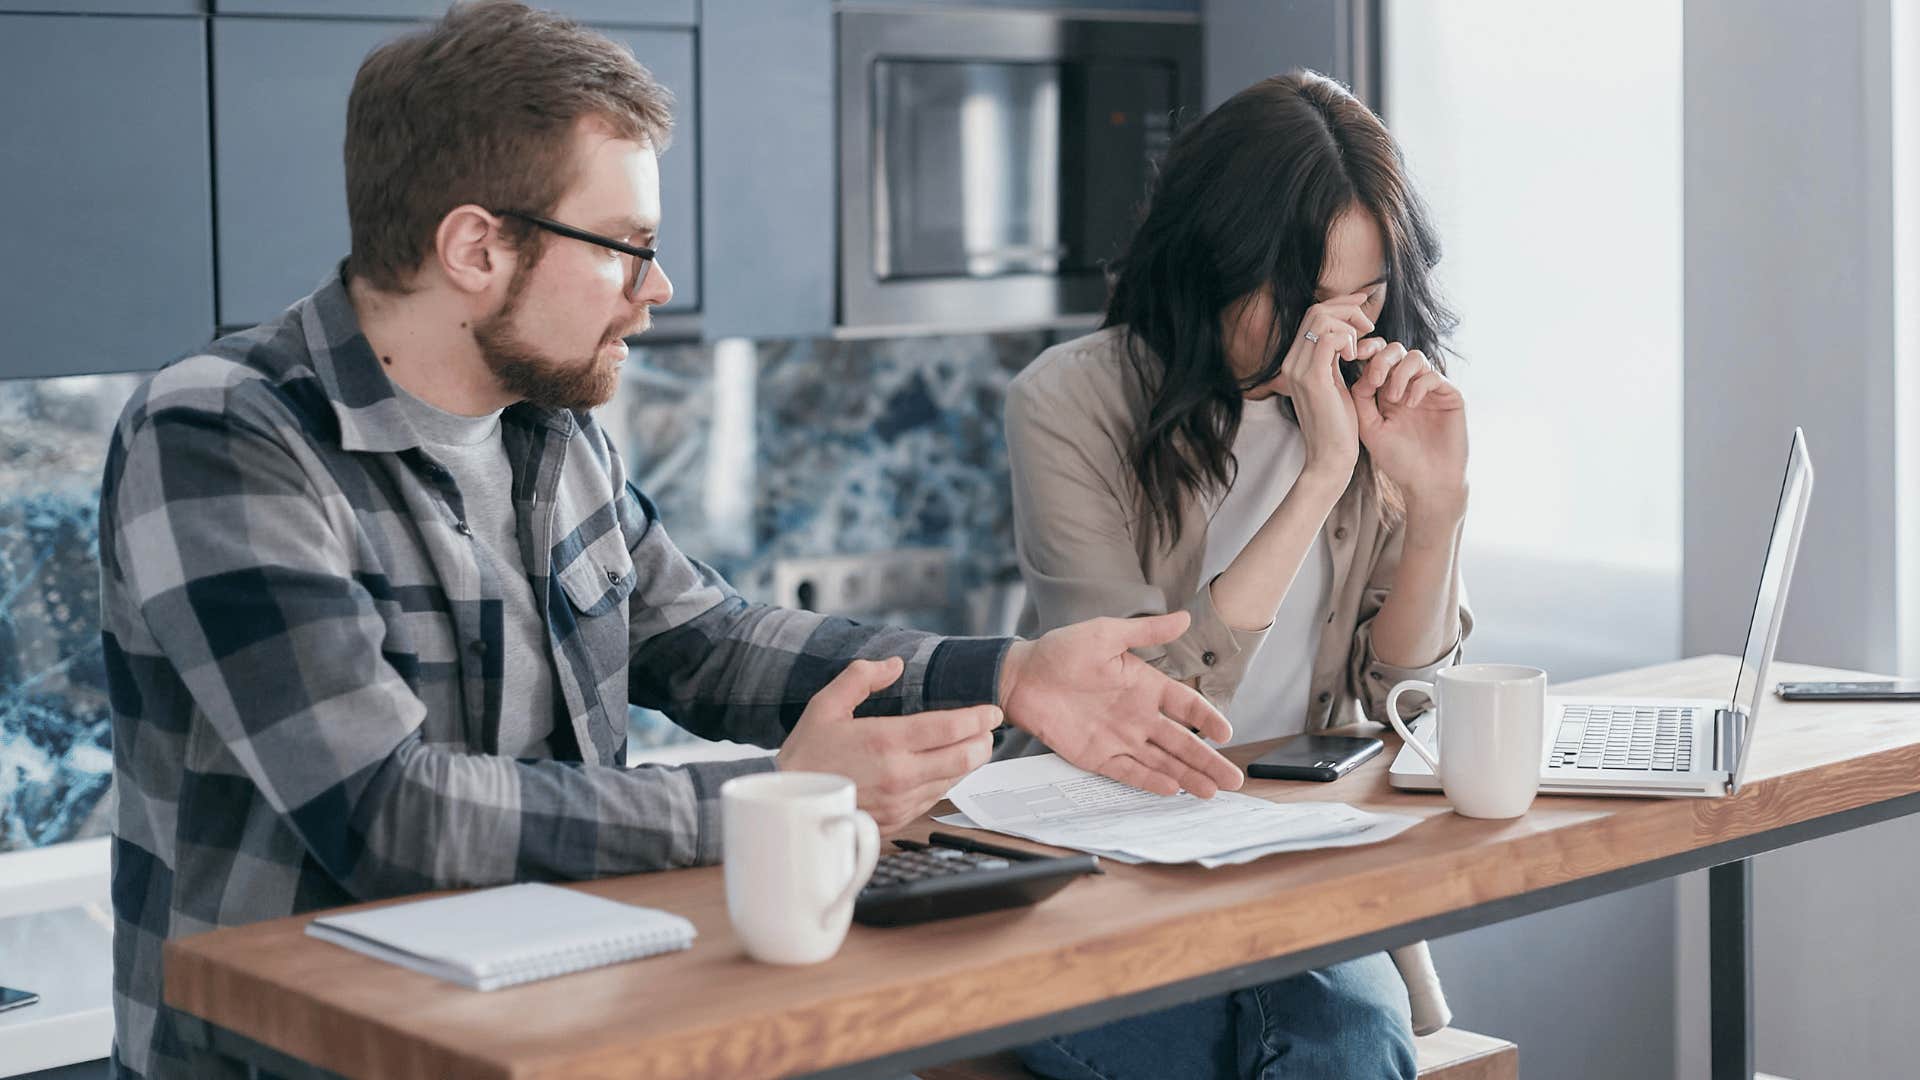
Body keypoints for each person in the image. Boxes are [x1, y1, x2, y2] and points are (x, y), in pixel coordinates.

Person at [95, 5, 1242, 1077]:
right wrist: (781, 801)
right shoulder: (224, 433)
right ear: (474, 249)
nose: (659, 286)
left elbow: (709, 642)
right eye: (624, 244)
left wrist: (1010, 675)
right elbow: (390, 813)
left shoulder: (549, 426)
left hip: (557, 1021)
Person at [998, 70, 1475, 1078]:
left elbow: (1412, 712)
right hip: (1101, 855)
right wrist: (1320, 475)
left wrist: (1436, 510)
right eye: (1305, 303)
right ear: (1212, 264)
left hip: (1291, 857)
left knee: (1347, 1045)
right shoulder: (1068, 405)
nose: (1338, 337)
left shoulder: (1379, 394)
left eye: (1366, 301)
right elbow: (1141, 720)